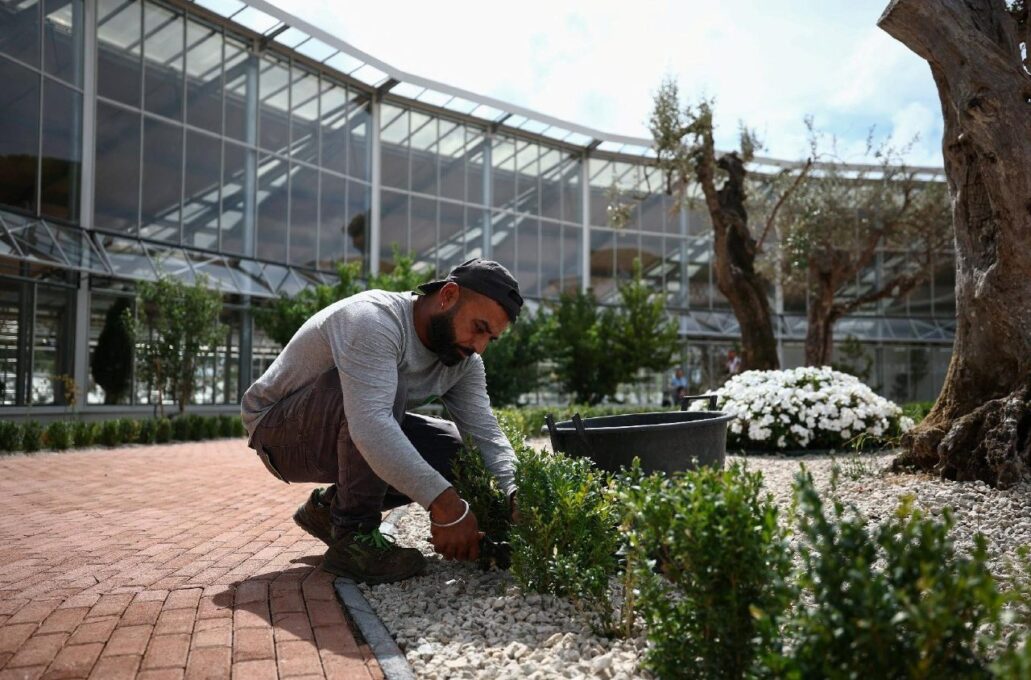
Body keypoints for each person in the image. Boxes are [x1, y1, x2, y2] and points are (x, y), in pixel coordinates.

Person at [241, 258, 523, 585]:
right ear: (447, 296)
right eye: (478, 328)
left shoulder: (464, 363)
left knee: (454, 450)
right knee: (386, 397)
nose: (480, 347)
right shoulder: (374, 319)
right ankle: (354, 535)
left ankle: (330, 511)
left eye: (491, 338)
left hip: (339, 429)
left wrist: (517, 492)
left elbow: (485, 434)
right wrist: (447, 507)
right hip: (276, 432)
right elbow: (370, 425)